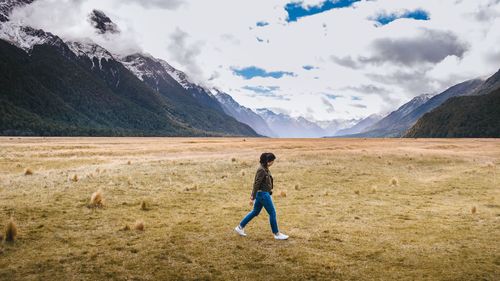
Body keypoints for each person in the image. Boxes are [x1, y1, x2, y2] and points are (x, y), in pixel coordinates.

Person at [234, 152, 289, 240]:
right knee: (272, 213)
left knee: (255, 212)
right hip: (263, 194)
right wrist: (252, 197)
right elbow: (256, 184)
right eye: (272, 161)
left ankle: (240, 227)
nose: (273, 163)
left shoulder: (265, 168)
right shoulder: (261, 170)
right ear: (268, 161)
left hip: (262, 194)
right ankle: (276, 234)